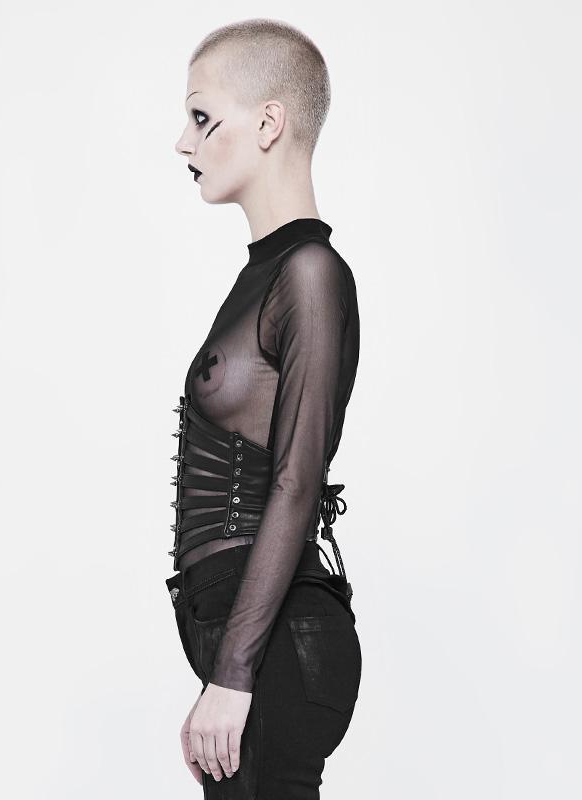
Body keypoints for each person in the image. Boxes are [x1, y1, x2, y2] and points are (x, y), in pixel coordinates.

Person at [166, 17, 361, 798]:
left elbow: (296, 478)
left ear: (269, 122)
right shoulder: (266, 274)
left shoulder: (310, 272)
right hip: (245, 637)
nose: (183, 142)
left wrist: (235, 674)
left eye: (202, 117)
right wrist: (223, 667)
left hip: (278, 643)